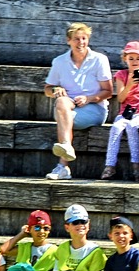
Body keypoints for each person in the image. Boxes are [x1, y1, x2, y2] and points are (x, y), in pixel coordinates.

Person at [43, 21, 112, 181]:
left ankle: (63, 166)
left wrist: (89, 98)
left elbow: (108, 91)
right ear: (69, 40)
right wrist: (55, 90)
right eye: (76, 39)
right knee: (61, 103)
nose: (80, 42)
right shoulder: (59, 62)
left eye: (84, 38)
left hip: (94, 109)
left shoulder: (99, 59)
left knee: (63, 118)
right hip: (67, 107)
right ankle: (66, 147)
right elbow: (47, 89)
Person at [101, 40, 139, 181]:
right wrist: (130, 84)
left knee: (131, 127)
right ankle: (109, 166)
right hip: (125, 113)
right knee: (116, 128)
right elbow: (120, 98)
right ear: (125, 59)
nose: (134, 61)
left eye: (138, 58)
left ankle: (136, 165)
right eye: (131, 58)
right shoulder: (121, 75)